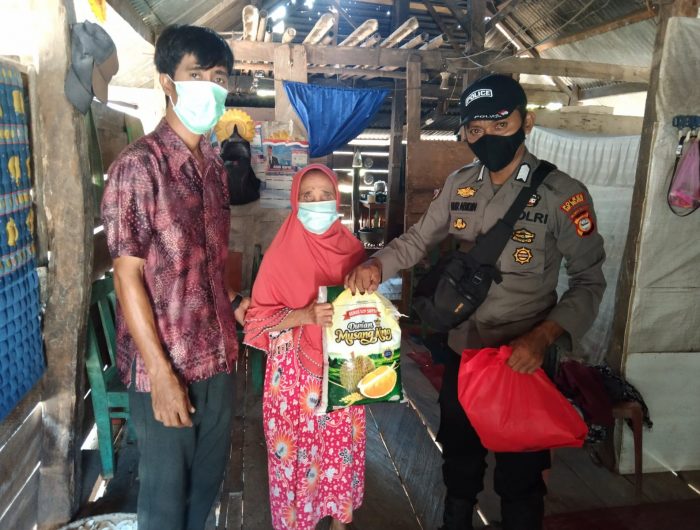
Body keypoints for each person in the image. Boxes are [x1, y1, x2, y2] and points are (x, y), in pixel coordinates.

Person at [345, 74, 606, 530]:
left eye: (501, 125)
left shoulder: (563, 194)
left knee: (520, 474)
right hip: (464, 349)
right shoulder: (460, 184)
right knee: (459, 459)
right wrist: (377, 265)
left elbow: (589, 282)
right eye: (476, 129)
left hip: (521, 356)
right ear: (465, 132)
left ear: (527, 122)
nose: (488, 137)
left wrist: (543, 338)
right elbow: (417, 240)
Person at [101, 25, 249, 530]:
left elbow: (203, 267)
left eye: (219, 77)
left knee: (204, 494)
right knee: (165, 506)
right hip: (166, 368)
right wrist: (161, 375)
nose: (211, 87)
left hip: (219, 359)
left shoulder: (215, 168)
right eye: (197, 75)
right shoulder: (138, 167)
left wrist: (238, 302)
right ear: (168, 81)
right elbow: (128, 277)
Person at [244, 164, 367, 530]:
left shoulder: (354, 251)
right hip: (294, 380)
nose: (317, 203)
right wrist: (304, 315)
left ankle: (340, 522)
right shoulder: (280, 255)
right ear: (295, 202)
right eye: (308, 196)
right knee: (297, 458)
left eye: (325, 195)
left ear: (337, 199)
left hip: (344, 369)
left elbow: (366, 309)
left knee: (340, 452)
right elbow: (256, 322)